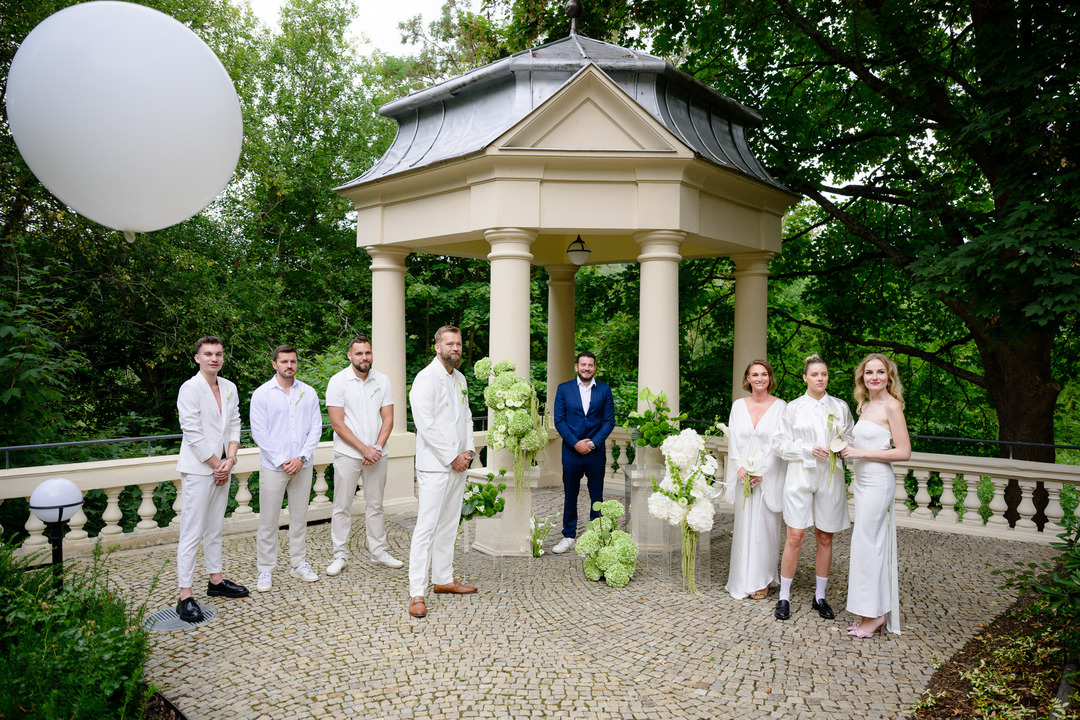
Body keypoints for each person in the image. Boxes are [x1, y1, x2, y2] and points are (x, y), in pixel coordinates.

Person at [175, 335, 249, 624]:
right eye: (208, 354)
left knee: (215, 526)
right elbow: (191, 431)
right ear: (198, 358)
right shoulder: (189, 388)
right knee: (192, 530)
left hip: (223, 466)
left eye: (218, 353)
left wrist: (229, 461)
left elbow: (235, 424)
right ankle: (185, 595)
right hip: (198, 469)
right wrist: (216, 464)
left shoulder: (229, 387)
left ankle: (216, 581)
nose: (214, 358)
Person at [773, 354, 853, 621]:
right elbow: (781, 445)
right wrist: (809, 448)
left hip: (830, 477)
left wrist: (840, 448)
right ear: (805, 377)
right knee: (795, 535)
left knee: (825, 536)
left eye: (825, 374)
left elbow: (850, 437)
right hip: (800, 476)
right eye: (815, 375)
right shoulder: (793, 408)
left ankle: (820, 596)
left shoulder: (840, 406)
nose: (821, 379)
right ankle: (784, 596)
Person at [407, 326, 477, 618]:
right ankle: (417, 592)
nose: (455, 348)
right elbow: (426, 425)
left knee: (449, 524)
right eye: (449, 344)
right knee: (427, 527)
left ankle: (443, 579)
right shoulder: (425, 379)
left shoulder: (460, 379)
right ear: (437, 347)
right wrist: (452, 457)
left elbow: (468, 418)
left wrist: (469, 451)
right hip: (436, 466)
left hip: (459, 463)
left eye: (458, 344)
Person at [841, 353, 910, 637]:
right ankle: (869, 610)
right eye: (869, 373)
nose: (874, 377)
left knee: (867, 543)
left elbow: (903, 452)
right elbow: (859, 445)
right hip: (862, 481)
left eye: (880, 372)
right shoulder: (865, 407)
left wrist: (860, 452)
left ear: (889, 377)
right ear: (862, 378)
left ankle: (875, 616)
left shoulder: (892, 407)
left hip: (879, 482)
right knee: (867, 544)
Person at [249, 344, 323, 592]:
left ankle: (298, 563)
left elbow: (315, 428)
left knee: (299, 517)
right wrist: (283, 460)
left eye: (293, 361)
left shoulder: (309, 393)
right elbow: (260, 433)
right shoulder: (262, 394)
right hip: (273, 467)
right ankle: (265, 569)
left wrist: (301, 457)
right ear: (275, 364)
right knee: (268, 520)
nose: (289, 365)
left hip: (302, 465)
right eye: (284, 362)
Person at [325, 336, 398, 576]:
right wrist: (363, 449)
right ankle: (340, 555)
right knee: (342, 506)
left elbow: (388, 418)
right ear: (350, 355)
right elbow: (337, 424)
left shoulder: (383, 380)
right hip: (348, 453)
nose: (364, 357)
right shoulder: (338, 382)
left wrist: (376, 447)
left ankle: (379, 552)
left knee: (376, 505)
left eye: (367, 353)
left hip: (377, 453)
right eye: (359, 353)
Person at [723, 359, 787, 600]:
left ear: (770, 378)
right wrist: (740, 467)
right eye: (755, 374)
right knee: (744, 527)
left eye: (764, 374)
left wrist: (763, 472)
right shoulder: (738, 406)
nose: (760, 378)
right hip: (744, 476)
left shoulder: (781, 407)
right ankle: (741, 577)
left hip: (768, 476)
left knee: (765, 528)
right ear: (747, 378)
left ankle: (763, 578)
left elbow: (780, 444)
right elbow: (734, 441)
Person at [551, 351, 616, 554]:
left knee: (597, 495)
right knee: (570, 494)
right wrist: (575, 443)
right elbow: (559, 421)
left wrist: (593, 443)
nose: (587, 368)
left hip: (595, 453)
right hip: (571, 452)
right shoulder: (564, 389)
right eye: (583, 365)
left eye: (590, 365)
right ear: (576, 367)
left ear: (595, 368)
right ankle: (569, 535)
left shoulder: (604, 390)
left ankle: (596, 536)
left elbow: (609, 421)